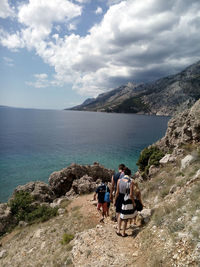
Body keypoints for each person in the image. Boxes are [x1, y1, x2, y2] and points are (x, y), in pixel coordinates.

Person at [114, 167, 136, 237]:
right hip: (126, 199)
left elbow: (117, 192)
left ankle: (118, 230)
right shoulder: (131, 182)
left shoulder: (119, 180)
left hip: (119, 197)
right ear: (129, 174)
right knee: (125, 216)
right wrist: (133, 202)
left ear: (124, 173)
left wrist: (115, 200)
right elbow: (131, 194)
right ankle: (123, 233)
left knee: (119, 214)